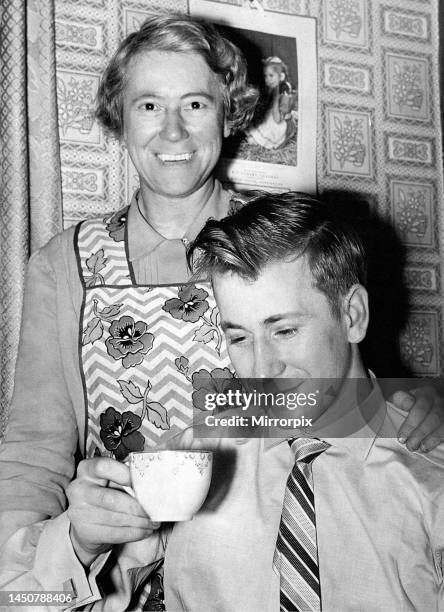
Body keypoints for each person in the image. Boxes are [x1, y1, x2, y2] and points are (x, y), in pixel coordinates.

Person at [0, 12, 442, 611]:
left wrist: (427, 403)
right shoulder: (66, 263)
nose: (174, 132)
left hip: (252, 558)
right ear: (120, 118)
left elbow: (347, 382)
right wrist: (34, 579)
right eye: (149, 105)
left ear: (228, 113)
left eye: (196, 105)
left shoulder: (275, 243)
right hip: (115, 564)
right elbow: (33, 455)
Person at [144, 191, 444, 611]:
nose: (262, 369)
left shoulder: (431, 477)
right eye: (239, 338)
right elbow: (27, 597)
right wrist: (79, 544)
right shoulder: (190, 461)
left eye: (284, 331)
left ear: (353, 314)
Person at [246, 56, 297, 150]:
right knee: (252, 125)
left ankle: (262, 140)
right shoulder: (271, 87)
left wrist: (275, 99)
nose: (267, 79)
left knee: (252, 139)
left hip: (280, 124)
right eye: (265, 76)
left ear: (281, 76)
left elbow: (277, 119)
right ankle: (257, 136)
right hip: (272, 116)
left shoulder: (285, 93)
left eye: (271, 76)